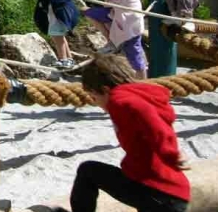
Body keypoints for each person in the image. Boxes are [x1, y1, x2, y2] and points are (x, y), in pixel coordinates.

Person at [57, 54, 189, 212]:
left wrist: (170, 152)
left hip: (158, 192)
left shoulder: (119, 100)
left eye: (94, 97)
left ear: (105, 90)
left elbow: (150, 119)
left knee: (88, 172)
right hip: (163, 190)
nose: (95, 102)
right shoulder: (140, 94)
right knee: (89, 171)